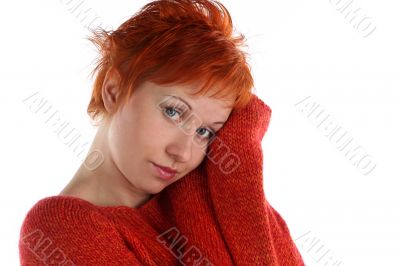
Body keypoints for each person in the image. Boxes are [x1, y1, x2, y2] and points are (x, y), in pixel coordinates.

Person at [19, 0, 305, 265]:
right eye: (173, 112)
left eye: (205, 132)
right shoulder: (58, 227)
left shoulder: (205, 193)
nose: (183, 153)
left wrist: (241, 140)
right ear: (113, 91)